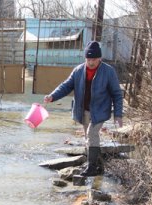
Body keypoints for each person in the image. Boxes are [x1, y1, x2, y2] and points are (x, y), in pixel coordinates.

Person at [43, 41, 123, 176]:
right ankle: (98, 166)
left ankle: (91, 168)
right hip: (84, 109)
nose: (91, 62)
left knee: (92, 134)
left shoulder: (108, 71)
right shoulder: (79, 70)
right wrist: (52, 96)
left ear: (100, 58)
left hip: (100, 110)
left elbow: (117, 94)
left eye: (94, 59)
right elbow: (66, 86)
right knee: (88, 137)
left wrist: (118, 115)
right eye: (88, 59)